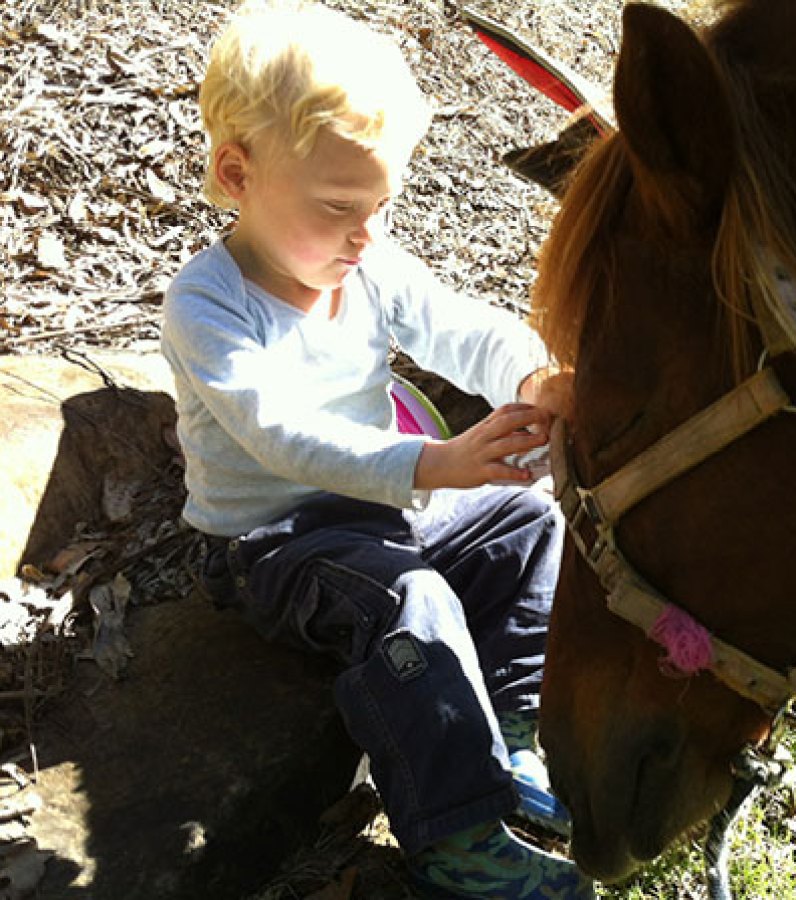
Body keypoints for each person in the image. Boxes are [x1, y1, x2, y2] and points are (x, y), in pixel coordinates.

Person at [159, 2, 592, 897]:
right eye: (339, 208)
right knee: (410, 598)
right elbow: (280, 433)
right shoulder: (207, 304)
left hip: (383, 507)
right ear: (237, 174)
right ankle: (456, 836)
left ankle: (511, 733)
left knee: (528, 523)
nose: (366, 233)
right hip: (275, 542)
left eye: (381, 206)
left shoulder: (366, 260)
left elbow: (458, 326)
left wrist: (533, 377)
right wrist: (431, 464)